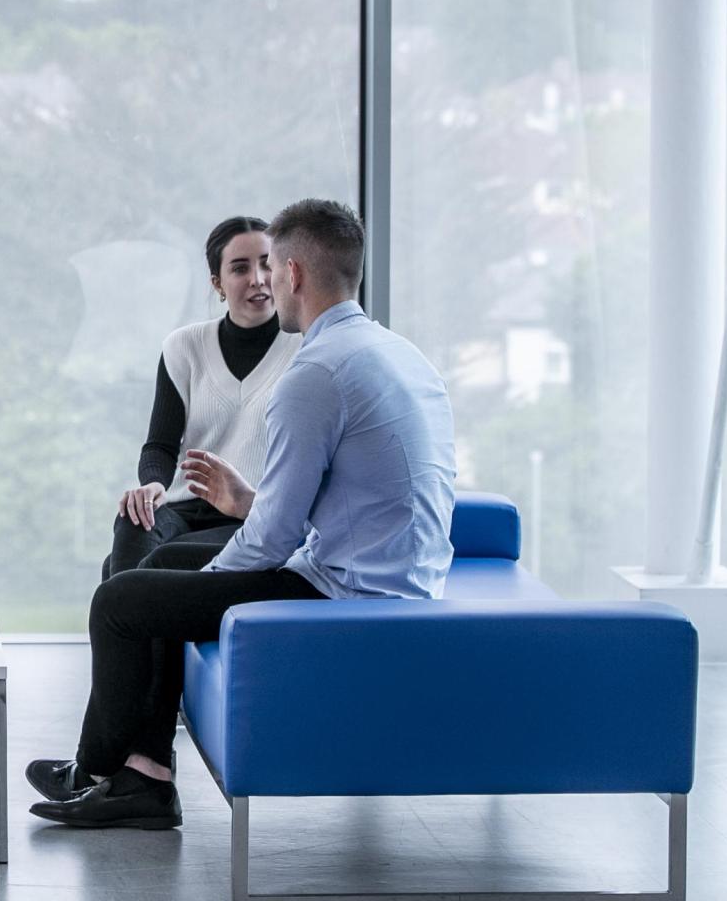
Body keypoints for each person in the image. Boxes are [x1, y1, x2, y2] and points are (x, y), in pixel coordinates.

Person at [26, 199, 456, 829]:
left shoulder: (315, 373)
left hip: (345, 591)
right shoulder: (398, 352)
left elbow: (272, 540)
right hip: (387, 571)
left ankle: (98, 767)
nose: (264, 284)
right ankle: (146, 775)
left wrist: (202, 586)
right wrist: (234, 518)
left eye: (271, 270)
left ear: (294, 274)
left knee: (121, 603)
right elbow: (331, 504)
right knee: (165, 561)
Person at [104, 216, 301, 580]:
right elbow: (160, 446)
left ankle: (125, 622)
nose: (257, 279)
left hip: (249, 512)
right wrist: (152, 486)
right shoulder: (184, 346)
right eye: (240, 268)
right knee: (132, 521)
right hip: (182, 509)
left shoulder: (306, 348)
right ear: (218, 283)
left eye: (265, 264)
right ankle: (130, 619)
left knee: (137, 570)